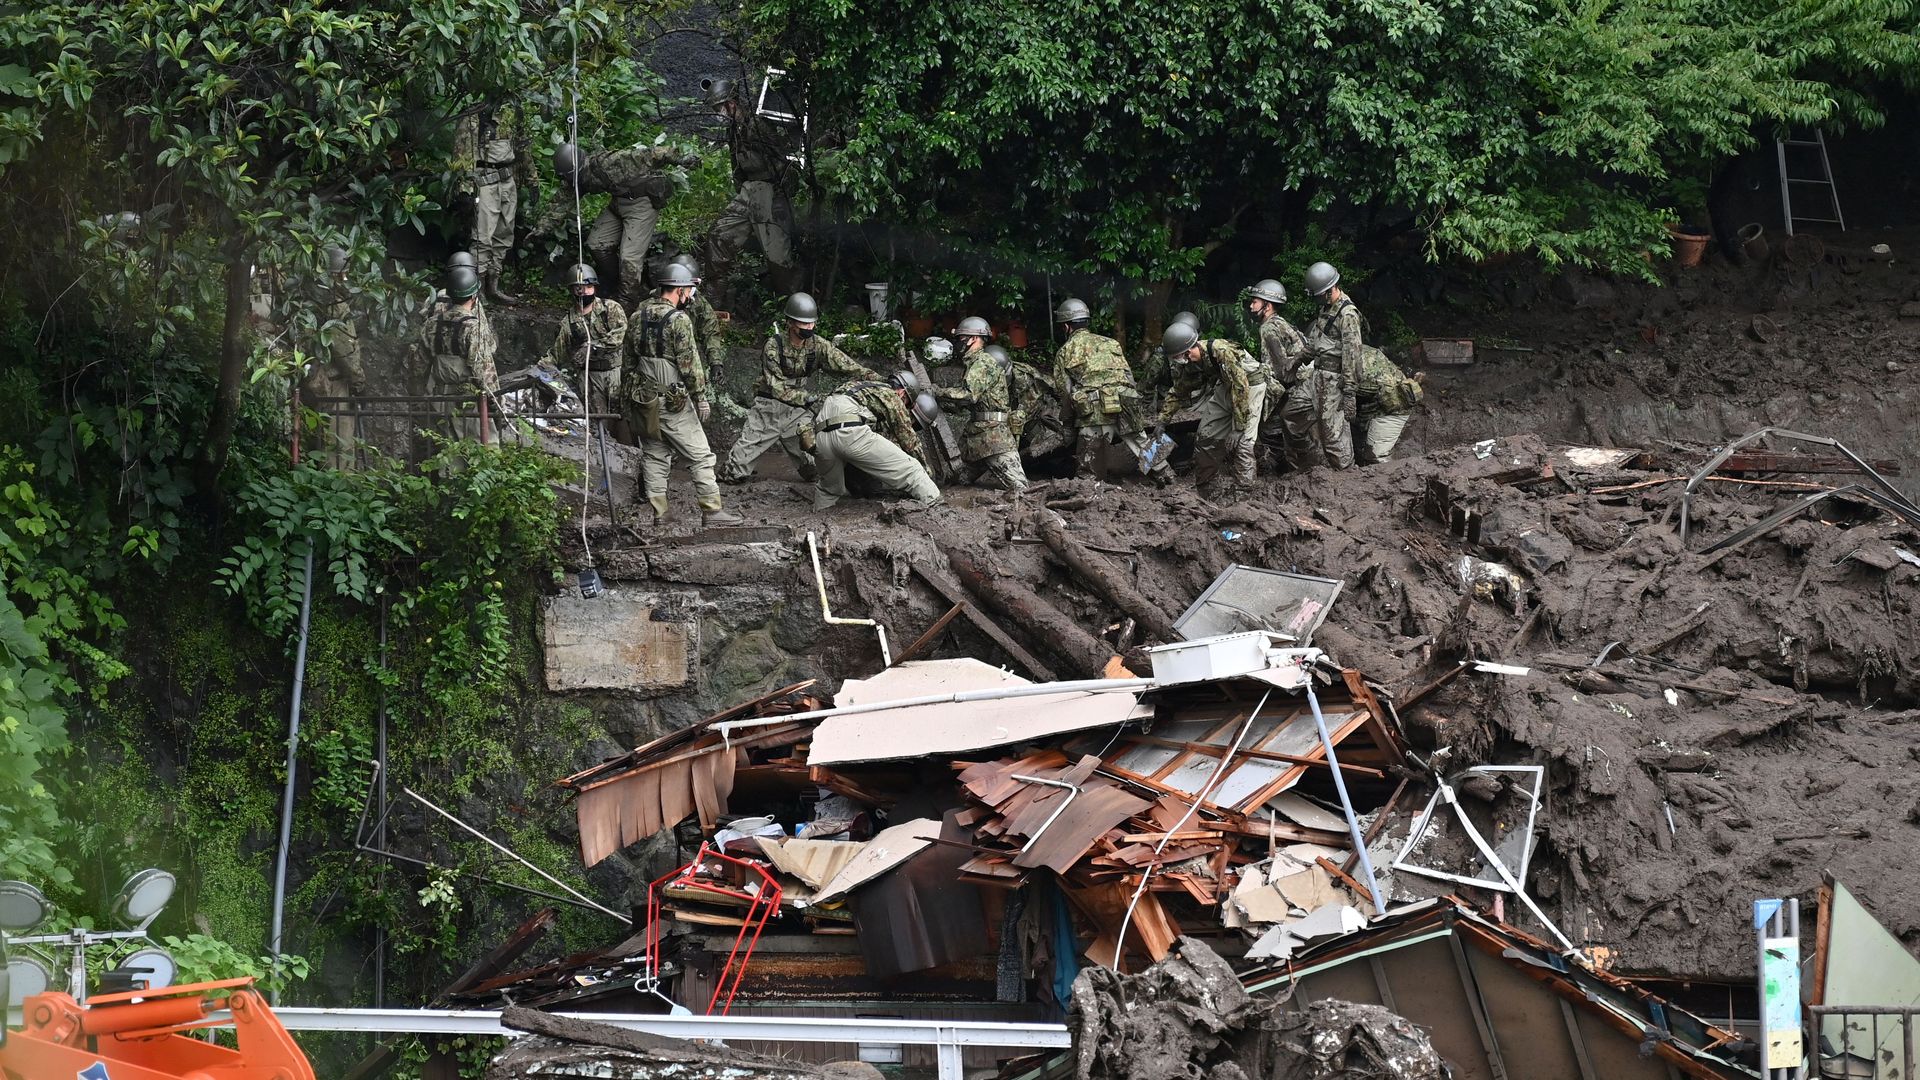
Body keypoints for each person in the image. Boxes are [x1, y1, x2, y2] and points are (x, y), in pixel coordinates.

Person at [624, 263, 744, 526]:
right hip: (672, 402)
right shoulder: (679, 320)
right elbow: (690, 364)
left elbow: (628, 361)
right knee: (701, 455)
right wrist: (700, 398)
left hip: (644, 399)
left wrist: (628, 400)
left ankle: (660, 514)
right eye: (689, 290)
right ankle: (712, 511)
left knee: (654, 453)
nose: (691, 295)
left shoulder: (637, 316)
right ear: (678, 290)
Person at [720, 291, 879, 483]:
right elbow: (776, 386)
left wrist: (877, 379)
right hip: (769, 408)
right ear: (790, 322)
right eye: (804, 323)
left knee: (814, 465)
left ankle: (811, 467)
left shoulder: (817, 345)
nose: (809, 327)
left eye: (812, 323)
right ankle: (729, 472)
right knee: (734, 472)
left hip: (797, 412)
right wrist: (805, 398)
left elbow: (845, 365)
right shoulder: (773, 346)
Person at [554, 141, 699, 310]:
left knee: (629, 258)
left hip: (642, 203)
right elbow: (560, 202)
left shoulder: (610, 163)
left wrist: (680, 158)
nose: (571, 180)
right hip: (619, 202)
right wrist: (540, 229)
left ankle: (628, 301)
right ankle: (615, 282)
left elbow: (651, 154)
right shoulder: (578, 177)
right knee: (596, 243)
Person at [1050, 298, 1169, 484]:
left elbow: (1065, 393)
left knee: (1089, 461)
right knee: (1144, 444)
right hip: (1126, 401)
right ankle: (1167, 477)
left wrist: (1067, 426)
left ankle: (1090, 490)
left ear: (1066, 327)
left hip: (1094, 410)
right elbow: (1128, 377)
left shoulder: (1065, 351)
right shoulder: (1111, 343)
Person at [703, 77, 798, 293]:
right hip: (748, 190)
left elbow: (781, 160)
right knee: (719, 235)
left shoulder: (757, 125)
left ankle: (791, 307)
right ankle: (715, 297)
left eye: (719, 108)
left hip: (770, 190)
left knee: (777, 256)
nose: (718, 113)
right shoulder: (733, 130)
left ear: (732, 104)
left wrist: (780, 198)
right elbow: (736, 165)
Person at [1157, 321, 1267, 490]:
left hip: (1250, 386)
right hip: (1225, 386)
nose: (1175, 361)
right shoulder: (1191, 364)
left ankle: (1245, 491)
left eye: (1176, 357)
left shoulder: (1221, 351)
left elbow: (1240, 386)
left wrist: (1238, 427)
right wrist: (1162, 421)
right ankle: (1206, 485)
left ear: (1186, 352)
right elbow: (1179, 391)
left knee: (1243, 443)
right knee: (1205, 435)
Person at [812, 372, 942, 510]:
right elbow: (909, 440)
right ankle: (940, 509)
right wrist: (926, 473)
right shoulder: (892, 396)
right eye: (906, 404)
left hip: (821, 438)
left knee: (829, 490)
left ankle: (817, 522)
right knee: (912, 470)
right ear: (902, 393)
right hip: (850, 433)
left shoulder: (858, 387)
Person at [930, 317, 1027, 491]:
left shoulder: (982, 363)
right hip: (978, 436)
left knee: (1020, 487)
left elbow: (968, 395)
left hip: (993, 436)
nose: (958, 343)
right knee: (958, 479)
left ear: (974, 339)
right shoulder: (974, 363)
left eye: (961, 338)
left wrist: (937, 392)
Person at [538, 263, 627, 439]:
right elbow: (557, 353)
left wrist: (593, 346)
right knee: (598, 421)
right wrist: (539, 368)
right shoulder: (568, 322)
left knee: (625, 418)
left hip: (616, 372)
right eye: (580, 288)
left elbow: (621, 333)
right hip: (589, 377)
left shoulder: (610, 309)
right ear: (572, 290)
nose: (585, 292)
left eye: (589, 287)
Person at [302, 246, 369, 468]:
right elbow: (345, 349)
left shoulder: (308, 296)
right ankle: (337, 490)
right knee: (339, 444)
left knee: (323, 439)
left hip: (316, 381)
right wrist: (359, 382)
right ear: (336, 274)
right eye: (344, 272)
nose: (347, 277)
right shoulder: (334, 304)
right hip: (334, 383)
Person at [460, 102, 531, 305]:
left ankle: (493, 286)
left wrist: (532, 179)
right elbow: (462, 151)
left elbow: (522, 147)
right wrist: (464, 188)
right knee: (482, 236)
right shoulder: (475, 114)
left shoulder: (512, 111)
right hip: (485, 179)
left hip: (507, 180)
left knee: (504, 234)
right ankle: (477, 289)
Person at [420, 265, 498, 444]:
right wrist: (495, 401)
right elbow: (483, 368)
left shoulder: (431, 324)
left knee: (448, 449)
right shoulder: (473, 327)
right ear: (473, 297)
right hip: (469, 399)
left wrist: (418, 393)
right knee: (483, 446)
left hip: (439, 396)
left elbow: (419, 362)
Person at [1242, 279, 1313, 471]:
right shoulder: (1279, 323)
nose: (1251, 305)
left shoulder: (1268, 328)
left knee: (1269, 429)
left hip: (1297, 387)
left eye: (1255, 301)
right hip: (1305, 385)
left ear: (1268, 304)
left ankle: (1281, 470)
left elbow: (1280, 370)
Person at [1300, 261, 1362, 469]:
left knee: (1334, 433)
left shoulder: (1347, 314)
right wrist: (1297, 361)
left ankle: (1347, 475)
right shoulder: (1327, 309)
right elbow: (1316, 341)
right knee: (1323, 429)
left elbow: (1352, 355)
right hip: (1320, 375)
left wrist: (1350, 392)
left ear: (1330, 289)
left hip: (1335, 379)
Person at [670, 254, 743, 422]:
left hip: (688, 362)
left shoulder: (699, 304)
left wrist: (715, 363)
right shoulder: (655, 303)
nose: (692, 290)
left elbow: (710, 333)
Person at [1354, 346, 1425, 463]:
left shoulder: (1353, 361)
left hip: (1394, 407)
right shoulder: (1357, 349)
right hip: (1371, 404)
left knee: (1376, 458)